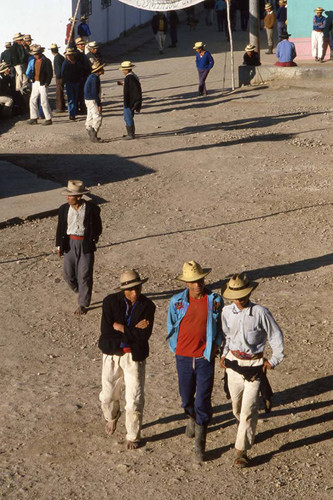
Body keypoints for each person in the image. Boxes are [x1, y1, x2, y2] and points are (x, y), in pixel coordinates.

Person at [220, 273, 284, 468]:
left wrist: (273, 360)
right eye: (236, 296)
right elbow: (226, 336)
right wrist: (224, 354)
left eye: (243, 295)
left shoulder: (261, 313)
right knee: (237, 408)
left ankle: (241, 451)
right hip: (233, 364)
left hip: (254, 366)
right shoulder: (226, 312)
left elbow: (276, 336)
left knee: (248, 410)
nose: (239, 300)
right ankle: (246, 430)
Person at [167, 261, 223, 462]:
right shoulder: (176, 302)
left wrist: (216, 345)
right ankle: (191, 417)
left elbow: (221, 325)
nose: (197, 285)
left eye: (199, 280)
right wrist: (176, 348)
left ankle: (200, 440)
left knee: (203, 399)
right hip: (182, 356)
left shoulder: (215, 300)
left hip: (204, 357)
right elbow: (171, 325)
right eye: (192, 282)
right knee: (186, 396)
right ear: (186, 283)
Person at [98, 269, 155, 449]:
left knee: (134, 397)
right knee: (107, 395)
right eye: (130, 290)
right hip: (112, 354)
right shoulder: (109, 302)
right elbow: (107, 331)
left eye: (137, 288)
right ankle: (112, 417)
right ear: (123, 290)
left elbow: (144, 334)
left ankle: (133, 435)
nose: (135, 293)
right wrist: (132, 329)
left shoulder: (148, 306)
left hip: (134, 356)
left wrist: (121, 327)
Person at [56, 180, 102, 316]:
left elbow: (98, 227)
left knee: (85, 275)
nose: (67, 198)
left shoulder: (92, 209)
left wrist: (93, 238)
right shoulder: (64, 209)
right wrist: (59, 245)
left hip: (85, 244)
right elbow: (60, 228)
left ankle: (83, 303)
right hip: (69, 243)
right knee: (67, 274)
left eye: (70, 196)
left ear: (79, 197)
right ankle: (80, 290)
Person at [26, 45, 53, 125]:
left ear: (40, 53)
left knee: (44, 101)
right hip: (35, 82)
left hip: (43, 83)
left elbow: (50, 73)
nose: (35, 55)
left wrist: (47, 82)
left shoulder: (46, 61)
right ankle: (34, 117)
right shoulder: (33, 61)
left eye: (36, 54)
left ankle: (48, 118)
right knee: (32, 100)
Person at [117, 61, 142, 140]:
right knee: (129, 116)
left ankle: (130, 134)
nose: (123, 71)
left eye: (123, 70)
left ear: (127, 70)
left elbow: (133, 90)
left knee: (127, 117)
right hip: (133, 101)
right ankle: (131, 133)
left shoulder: (129, 77)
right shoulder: (133, 76)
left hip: (129, 101)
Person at [84, 61, 105, 142]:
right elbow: (94, 92)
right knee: (97, 117)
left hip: (88, 99)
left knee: (90, 116)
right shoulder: (94, 78)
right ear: (99, 70)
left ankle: (89, 130)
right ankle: (94, 135)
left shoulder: (92, 77)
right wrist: (99, 104)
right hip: (92, 100)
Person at [61, 47, 83, 121]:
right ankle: (72, 114)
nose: (69, 56)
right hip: (69, 83)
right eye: (68, 55)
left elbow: (80, 72)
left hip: (76, 83)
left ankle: (73, 111)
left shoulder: (77, 63)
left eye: (70, 55)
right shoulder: (65, 64)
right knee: (71, 99)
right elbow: (62, 74)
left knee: (75, 97)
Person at [75, 37, 90, 114]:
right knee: (80, 93)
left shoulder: (82, 53)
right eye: (80, 44)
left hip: (83, 76)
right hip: (81, 76)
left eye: (83, 44)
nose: (82, 45)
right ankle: (80, 108)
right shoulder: (77, 54)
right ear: (77, 45)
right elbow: (79, 65)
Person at [49, 44, 65, 113]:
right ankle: (62, 106)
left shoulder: (56, 58)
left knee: (59, 92)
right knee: (60, 91)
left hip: (59, 78)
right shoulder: (60, 57)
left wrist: (57, 76)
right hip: (62, 76)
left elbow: (58, 70)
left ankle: (60, 107)